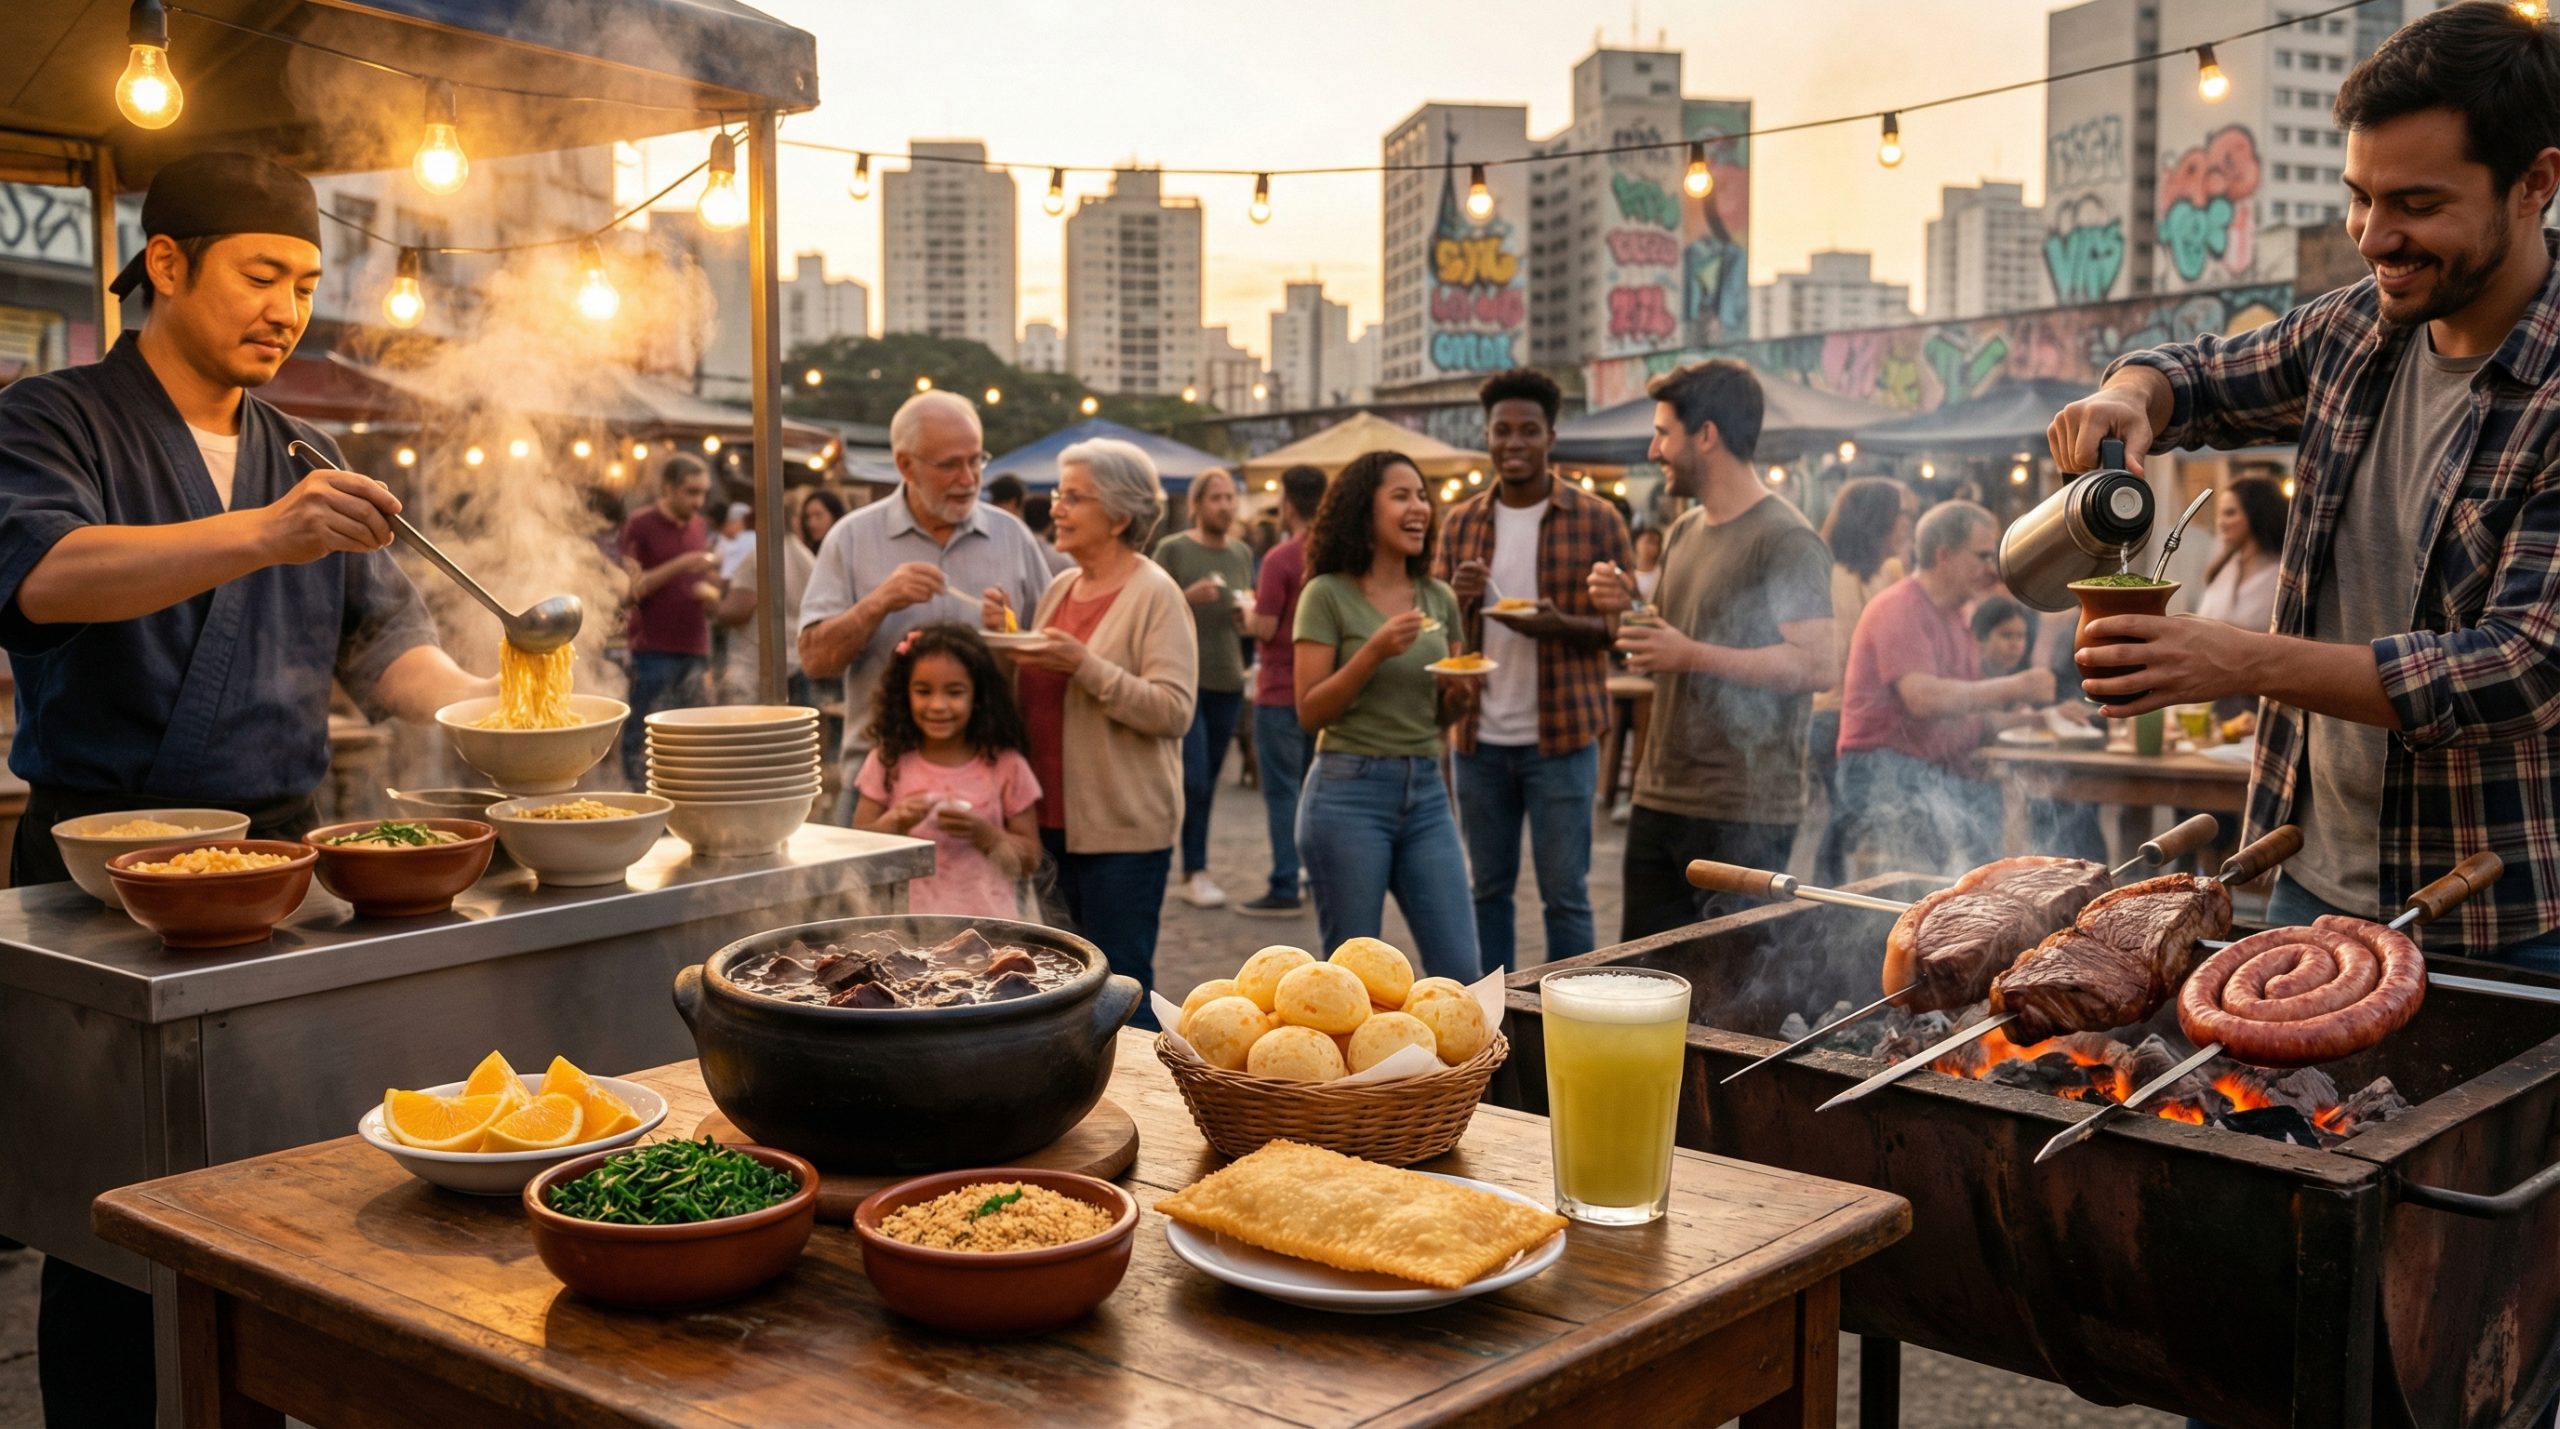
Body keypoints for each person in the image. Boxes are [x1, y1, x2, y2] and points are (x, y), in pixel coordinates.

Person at [0, 150, 492, 1429]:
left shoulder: (304, 448)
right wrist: (270, 530)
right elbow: (46, 577)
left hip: (281, 876)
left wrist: (506, 717)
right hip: (94, 878)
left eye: (307, 283)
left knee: (278, 1207)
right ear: (166, 265)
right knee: (105, 1224)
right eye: (262, 273)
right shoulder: (50, 416)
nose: (289, 307)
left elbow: (391, 650)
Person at [2049, 2, 2560, 962]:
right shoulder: (2351, 333)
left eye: (2417, 204)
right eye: (2359, 196)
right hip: (2302, 876)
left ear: (2535, 182)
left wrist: (2237, 658)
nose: (2374, 237)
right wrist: (2130, 396)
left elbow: (2519, 667)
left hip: (2495, 914)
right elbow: (2193, 373)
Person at [1586, 360, 1834, 941]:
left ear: (1706, 434)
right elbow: (1663, 645)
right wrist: (1621, 607)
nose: (1653, 451)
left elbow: (1817, 664)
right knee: (1643, 979)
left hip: (1742, 808)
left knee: (1726, 994)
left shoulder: (1787, 538)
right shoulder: (1683, 529)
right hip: (1659, 794)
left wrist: (1689, 652)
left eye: (1663, 433)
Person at [981, 438, 1194, 1013]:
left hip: (1121, 832)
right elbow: (1033, 694)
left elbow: (1174, 710)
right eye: (1057, 494)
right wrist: (1002, 643)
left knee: (1121, 987)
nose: (1056, 507)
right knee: (1064, 982)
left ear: (1121, 515)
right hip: (1048, 824)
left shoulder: (1156, 593)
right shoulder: (1059, 588)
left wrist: (1087, 666)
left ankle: (1137, 1094)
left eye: (1074, 497)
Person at [1438, 367, 1631, 971]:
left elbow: (1625, 631)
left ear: (1551, 435)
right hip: (1479, 740)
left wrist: (1558, 624)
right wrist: (1456, 594)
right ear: (1487, 436)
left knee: (1566, 897)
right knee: (1486, 892)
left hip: (1564, 740)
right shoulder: (1461, 522)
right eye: (1501, 430)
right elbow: (1437, 630)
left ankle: (1567, 1016)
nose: (1512, 443)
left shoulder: (1597, 520)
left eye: (1527, 430)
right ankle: (1495, 1022)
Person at [800, 391, 1054, 812]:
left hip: (988, 781)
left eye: (976, 460)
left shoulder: (1013, 537)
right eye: (950, 465)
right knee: (863, 882)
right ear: (905, 465)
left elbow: (1048, 660)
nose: (969, 479)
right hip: (878, 782)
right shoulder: (852, 537)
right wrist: (878, 602)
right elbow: (815, 661)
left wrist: (1010, 633)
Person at [1296, 451, 1483, 981]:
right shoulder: (1325, 594)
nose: (1418, 506)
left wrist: (1461, 696)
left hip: (1426, 790)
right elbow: (1310, 711)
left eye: (1422, 495)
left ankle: (1462, 1069)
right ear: (1364, 510)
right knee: (1351, 982)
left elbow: (1444, 711)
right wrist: (1373, 651)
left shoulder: (1438, 598)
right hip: (1347, 792)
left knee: (1461, 971)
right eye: (1401, 495)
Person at [1834, 502, 2056, 874]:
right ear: (1943, 555)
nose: (1990, 569)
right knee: (1973, 819)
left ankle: (1980, 909)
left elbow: (1970, 714)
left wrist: (2040, 719)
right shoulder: (1899, 607)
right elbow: (1924, 699)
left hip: (1926, 767)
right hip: (1881, 770)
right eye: (1982, 555)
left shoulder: (1956, 617)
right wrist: (2016, 686)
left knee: (2007, 805)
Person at [851, 623, 1043, 918]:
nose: (938, 705)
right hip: (907, 926)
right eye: (923, 691)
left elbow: (1030, 859)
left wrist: (987, 835)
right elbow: (858, 852)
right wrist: (895, 821)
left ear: (978, 698)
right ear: (904, 694)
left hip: (993, 928)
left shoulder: (1006, 764)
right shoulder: (887, 761)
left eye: (954, 692)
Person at [1152, 466, 1255, 908]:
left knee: (1209, 780)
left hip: (1227, 677)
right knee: (1191, 779)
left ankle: (1197, 868)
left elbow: (1246, 611)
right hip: (1184, 679)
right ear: (1196, 505)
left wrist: (1245, 620)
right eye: (1215, 498)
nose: (1224, 506)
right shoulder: (1173, 549)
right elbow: (1149, 603)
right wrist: (1185, 598)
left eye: (1230, 497)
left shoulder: (1242, 553)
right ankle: (1189, 867)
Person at [1809, 476, 1911, 885]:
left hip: (1872, 719)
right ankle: (1826, 897)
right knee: (1845, 816)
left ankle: (1834, 892)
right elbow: (1848, 657)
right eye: (1901, 515)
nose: (1907, 523)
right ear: (1877, 520)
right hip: (1835, 715)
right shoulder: (1835, 577)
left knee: (1851, 818)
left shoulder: (1886, 572)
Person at [1240, 464, 1327, 916]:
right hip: (1326, 689)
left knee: (1282, 794)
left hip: (1279, 690)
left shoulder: (1280, 558)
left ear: (1288, 504)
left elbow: (1268, 624)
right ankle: (1317, 875)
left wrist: (1248, 618)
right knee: (1317, 792)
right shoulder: (1334, 553)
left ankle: (1283, 882)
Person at [617, 454, 720, 780]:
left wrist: (712, 595)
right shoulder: (640, 525)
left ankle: (685, 800)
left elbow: (697, 582)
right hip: (653, 649)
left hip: (695, 647)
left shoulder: (698, 526)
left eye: (703, 493)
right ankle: (644, 803)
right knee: (644, 736)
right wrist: (683, 563)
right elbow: (632, 590)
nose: (698, 501)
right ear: (668, 488)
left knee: (694, 739)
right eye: (691, 492)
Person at [715, 518, 816, 706]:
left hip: (756, 668)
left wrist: (711, 601)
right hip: (796, 664)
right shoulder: (807, 557)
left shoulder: (758, 557)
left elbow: (738, 611)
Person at [2190, 475, 2286, 637]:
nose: (2221, 522)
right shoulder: (2224, 568)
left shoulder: (2280, 577)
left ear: (2256, 514)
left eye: (2230, 513)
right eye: (2219, 514)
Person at [989, 470, 1074, 575]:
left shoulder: (1014, 538)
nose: (991, 506)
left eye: (994, 501)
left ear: (1012, 502)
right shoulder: (1057, 555)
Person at [1973, 594, 2032, 677]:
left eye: (2020, 636)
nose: (2015, 645)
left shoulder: (2021, 683)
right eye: (2006, 635)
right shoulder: (1963, 677)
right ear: (1982, 637)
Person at [713, 500, 755, 579]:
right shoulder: (729, 539)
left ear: (738, 522)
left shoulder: (748, 539)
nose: (727, 527)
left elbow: (727, 577)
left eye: (730, 523)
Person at [798, 486, 847, 553]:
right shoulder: (806, 552)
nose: (811, 523)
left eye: (818, 515)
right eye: (807, 517)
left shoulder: (845, 550)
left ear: (834, 516)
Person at [1631, 525, 1665, 602]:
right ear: (1636, 543)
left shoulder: (1663, 574)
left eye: (1657, 543)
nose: (1653, 546)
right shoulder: (1628, 574)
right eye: (1649, 541)